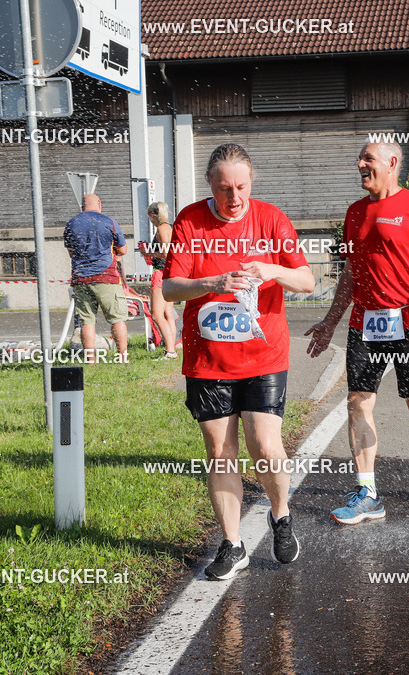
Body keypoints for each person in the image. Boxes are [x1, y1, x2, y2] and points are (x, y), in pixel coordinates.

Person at [163, 143, 314, 579]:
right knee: (219, 451)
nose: (234, 197)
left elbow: (304, 280)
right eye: (225, 187)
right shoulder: (191, 221)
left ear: (252, 182)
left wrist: (272, 270)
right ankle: (232, 544)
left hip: (264, 353)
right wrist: (212, 280)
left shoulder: (272, 219)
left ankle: (281, 515)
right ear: (210, 184)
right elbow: (171, 289)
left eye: (242, 186)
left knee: (265, 447)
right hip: (209, 359)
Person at [306, 140, 409, 525]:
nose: (360, 164)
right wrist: (329, 323)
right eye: (359, 158)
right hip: (365, 323)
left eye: (368, 159)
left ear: (392, 163)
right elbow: (350, 273)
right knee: (358, 403)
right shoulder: (355, 213)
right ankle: (367, 492)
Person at [63, 194, 129, 363]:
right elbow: (123, 249)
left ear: (82, 206)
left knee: (86, 321)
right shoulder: (109, 222)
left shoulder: (72, 223)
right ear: (99, 204)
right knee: (117, 318)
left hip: (80, 277)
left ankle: (91, 359)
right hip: (106, 276)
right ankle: (122, 356)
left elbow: (71, 252)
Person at [141, 201, 179, 358]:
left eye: (150, 218)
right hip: (170, 273)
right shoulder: (170, 227)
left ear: (152, 215)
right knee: (168, 313)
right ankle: (172, 347)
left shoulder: (161, 229)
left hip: (161, 274)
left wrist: (147, 252)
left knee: (156, 313)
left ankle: (170, 350)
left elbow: (165, 253)